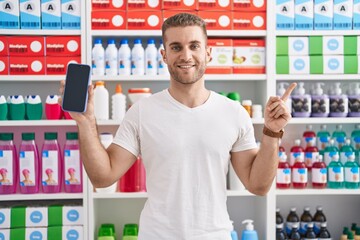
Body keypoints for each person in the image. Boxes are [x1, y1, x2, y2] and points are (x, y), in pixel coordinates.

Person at [60, 13, 296, 240]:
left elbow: (259, 185)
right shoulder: (142, 112)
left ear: (208, 52)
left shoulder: (233, 112)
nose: (186, 55)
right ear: (163, 55)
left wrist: (272, 132)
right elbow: (103, 177)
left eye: (194, 46)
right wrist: (86, 120)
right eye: (176, 47)